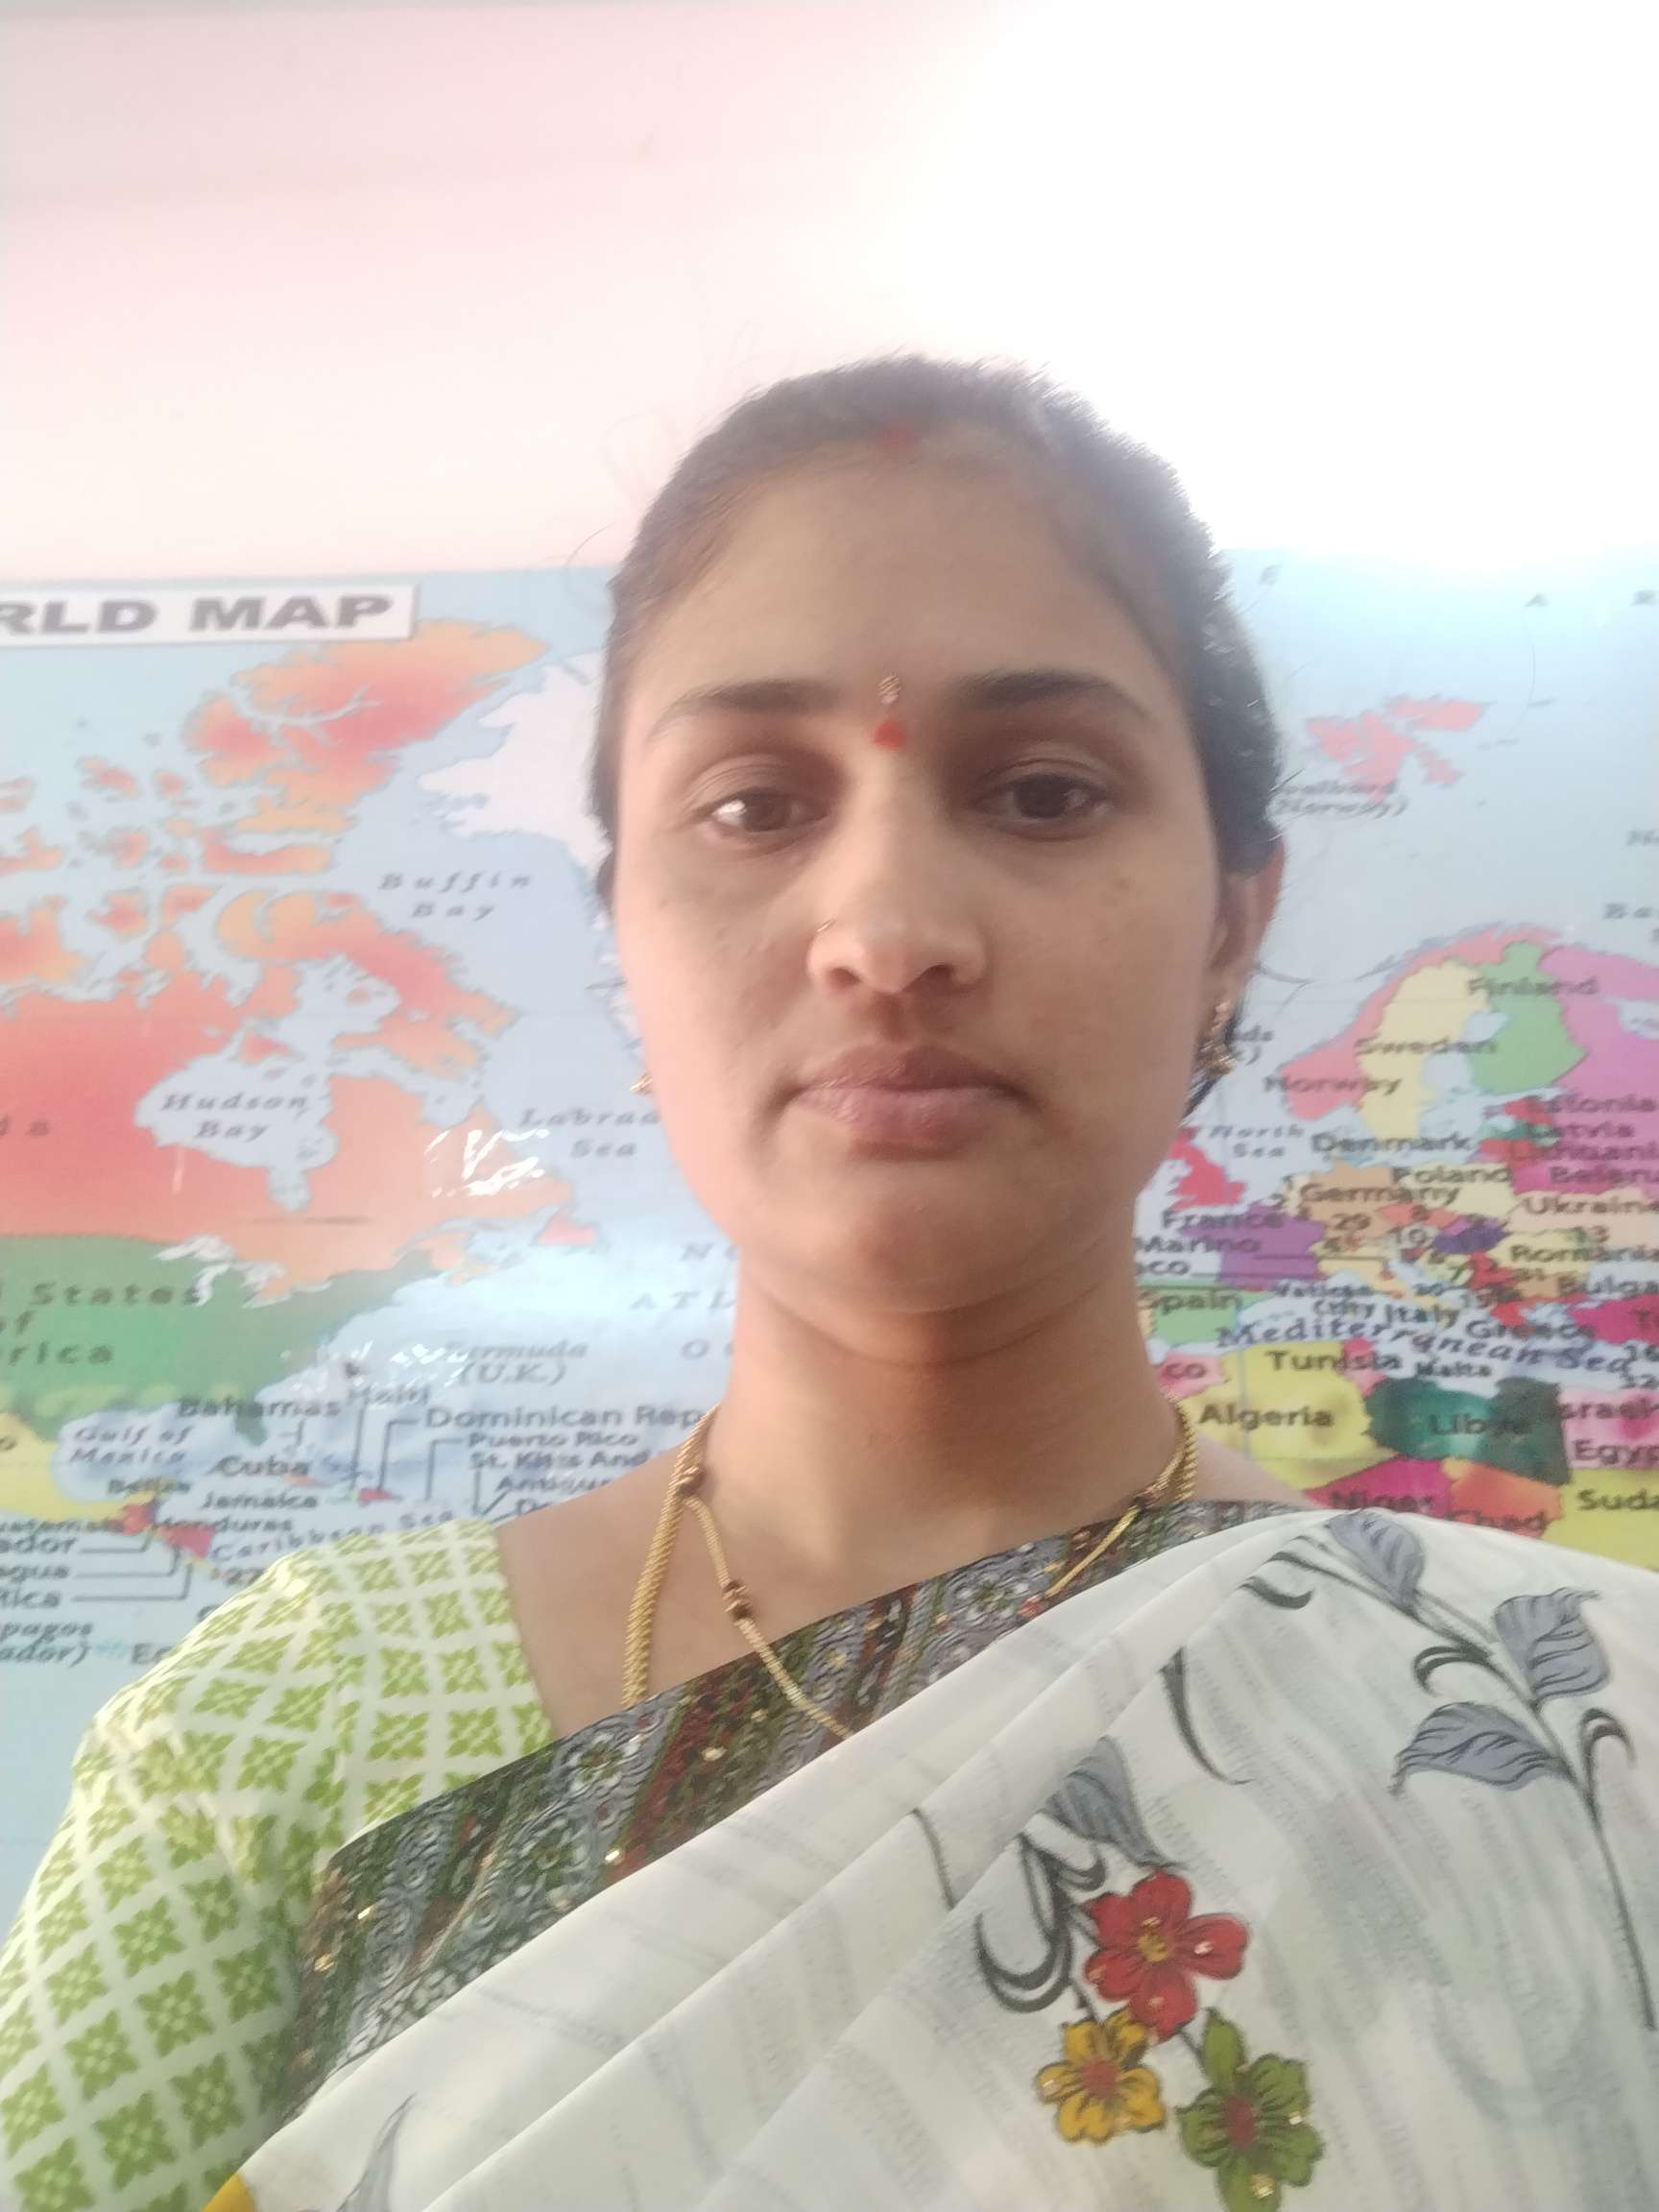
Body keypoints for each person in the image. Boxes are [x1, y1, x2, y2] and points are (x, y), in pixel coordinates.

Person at [2, 358, 1655, 2212]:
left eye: (1044, 791)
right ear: (625, 934)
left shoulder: (1553, 1734)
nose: (887, 935)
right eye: (752, 806)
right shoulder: (281, 1740)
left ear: (1232, 929)